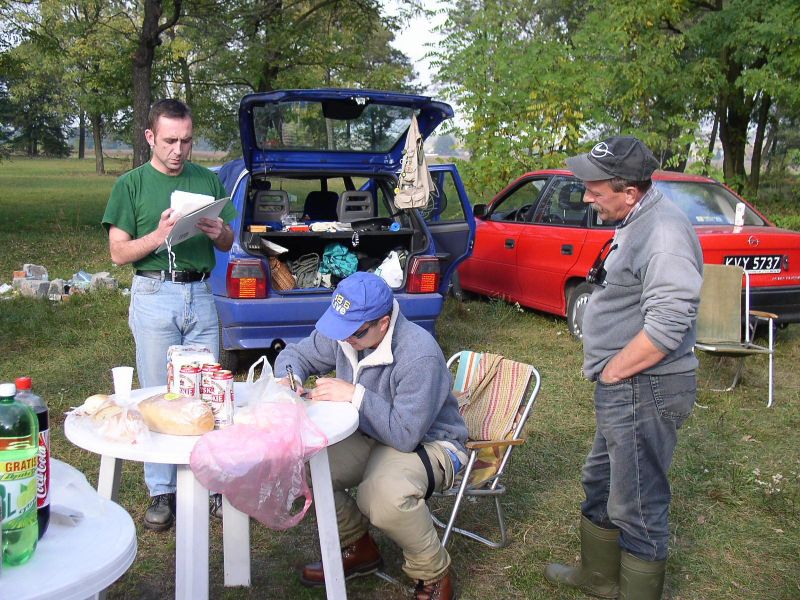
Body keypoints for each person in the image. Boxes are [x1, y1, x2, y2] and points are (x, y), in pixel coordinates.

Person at [544, 137, 703, 599]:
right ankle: (599, 578)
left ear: (629, 192)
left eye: (595, 191)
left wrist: (614, 372)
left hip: (643, 386)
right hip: (627, 387)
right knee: (600, 482)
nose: (586, 198)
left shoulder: (664, 234)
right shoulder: (637, 218)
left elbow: (669, 323)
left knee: (637, 502)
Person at [274, 272, 467, 600]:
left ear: (384, 323)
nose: (345, 338)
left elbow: (405, 435)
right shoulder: (348, 331)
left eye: (356, 332)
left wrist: (356, 396)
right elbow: (297, 355)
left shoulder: (419, 354)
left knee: (380, 497)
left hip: (430, 442)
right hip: (371, 433)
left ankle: (433, 573)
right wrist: (289, 378)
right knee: (302, 464)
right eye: (341, 328)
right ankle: (358, 545)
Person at [102, 99, 236, 531]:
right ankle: (162, 490)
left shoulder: (207, 179)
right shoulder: (131, 185)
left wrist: (221, 232)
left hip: (200, 292)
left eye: (186, 141)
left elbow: (228, 240)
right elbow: (118, 253)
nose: (179, 150)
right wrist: (159, 236)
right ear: (150, 137)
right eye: (170, 141)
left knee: (207, 391)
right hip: (154, 291)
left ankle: (210, 482)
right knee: (159, 392)